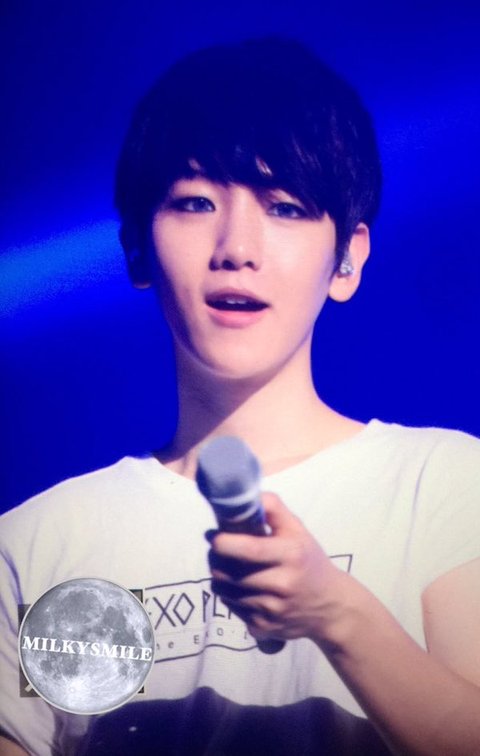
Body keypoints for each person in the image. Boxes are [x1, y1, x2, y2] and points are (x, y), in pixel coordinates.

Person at [1, 37, 479, 756]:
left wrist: (338, 614)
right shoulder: (36, 543)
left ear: (348, 260)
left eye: (285, 207)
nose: (237, 247)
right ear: (136, 247)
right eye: (195, 202)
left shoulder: (443, 485)